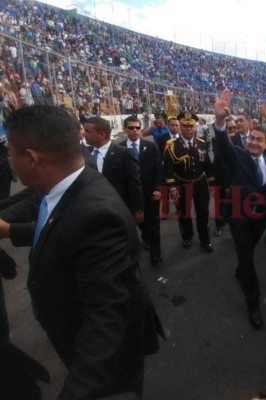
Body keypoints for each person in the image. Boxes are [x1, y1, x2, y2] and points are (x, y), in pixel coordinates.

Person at [0, 105, 163, 399]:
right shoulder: (71, 182)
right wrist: (10, 230)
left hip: (109, 360)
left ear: (31, 158)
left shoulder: (96, 215)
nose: (10, 161)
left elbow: (107, 317)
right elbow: (56, 228)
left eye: (11, 152)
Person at [212, 90, 266, 329]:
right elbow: (223, 144)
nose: (253, 142)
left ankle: (241, 269)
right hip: (239, 217)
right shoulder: (238, 156)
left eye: (258, 140)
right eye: (251, 138)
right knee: (247, 257)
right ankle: (253, 304)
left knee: (248, 251)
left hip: (259, 220)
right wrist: (220, 121)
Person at [163, 111, 215, 253]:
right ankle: (187, 236)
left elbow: (208, 166)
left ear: (195, 127)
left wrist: (212, 184)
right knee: (184, 213)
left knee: (203, 213)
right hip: (182, 184)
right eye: (185, 126)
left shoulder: (202, 144)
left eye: (191, 126)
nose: (188, 129)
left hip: (200, 183)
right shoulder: (172, 145)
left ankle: (205, 239)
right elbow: (167, 168)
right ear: (180, 126)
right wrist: (172, 188)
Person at [119, 116, 164, 266]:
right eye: (131, 128)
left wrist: (158, 189)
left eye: (137, 128)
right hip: (130, 197)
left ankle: (156, 255)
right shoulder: (119, 149)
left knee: (154, 225)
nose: (135, 131)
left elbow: (159, 169)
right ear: (125, 129)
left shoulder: (150, 147)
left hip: (151, 194)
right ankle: (145, 236)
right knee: (139, 223)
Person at [83, 116, 144, 225]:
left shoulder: (124, 154)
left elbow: (134, 184)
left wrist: (137, 209)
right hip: (91, 209)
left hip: (118, 208)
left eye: (88, 131)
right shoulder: (84, 153)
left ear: (102, 134)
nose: (84, 134)